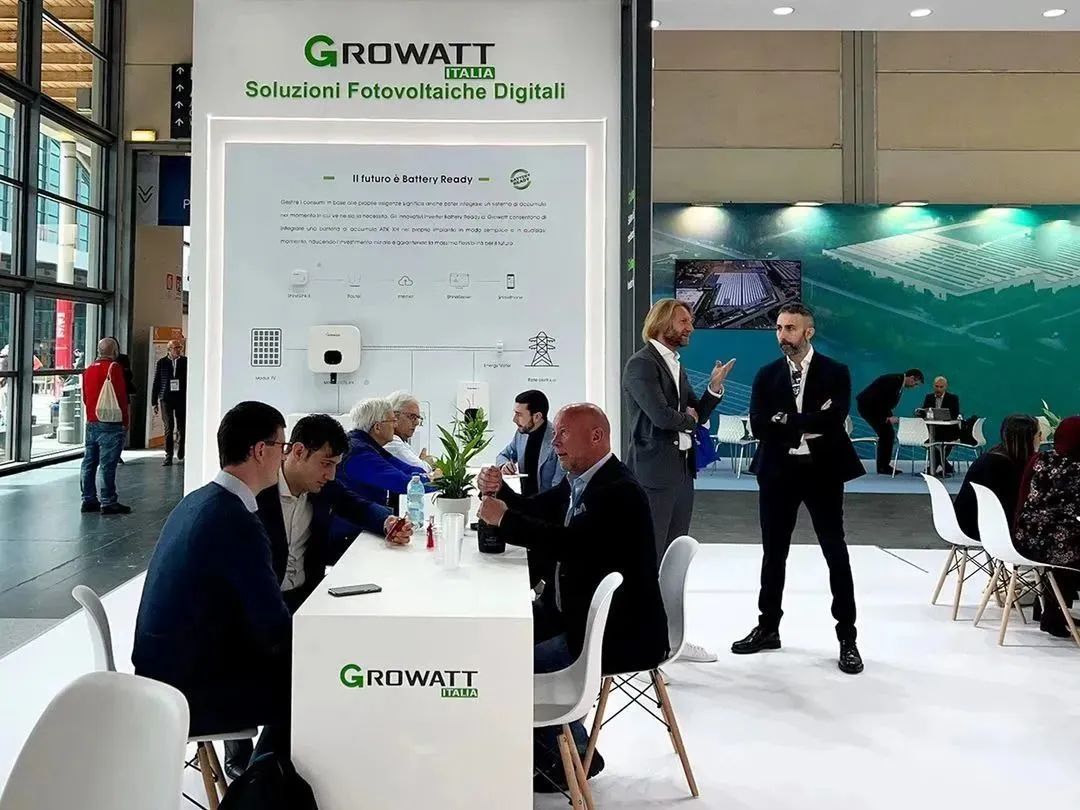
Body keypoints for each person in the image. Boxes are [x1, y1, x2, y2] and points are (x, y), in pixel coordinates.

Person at [476, 403, 668, 793]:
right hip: (573, 613)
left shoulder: (618, 492)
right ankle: (554, 746)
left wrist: (505, 519)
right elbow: (540, 510)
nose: (555, 442)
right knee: (496, 643)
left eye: (563, 434)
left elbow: (571, 544)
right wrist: (502, 493)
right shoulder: (582, 479)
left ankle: (573, 755)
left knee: (507, 666)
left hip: (614, 632)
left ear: (596, 437)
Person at [222, 413, 415, 779]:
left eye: (336, 465)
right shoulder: (255, 493)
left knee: (329, 656)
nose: (331, 474)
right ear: (296, 452)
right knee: (290, 671)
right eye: (325, 463)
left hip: (303, 598)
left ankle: (295, 749)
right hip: (258, 607)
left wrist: (387, 522)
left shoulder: (322, 486)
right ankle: (252, 762)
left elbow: (357, 505)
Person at [133, 401, 293, 766]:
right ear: (260, 450)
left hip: (160, 675)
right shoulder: (237, 521)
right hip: (191, 692)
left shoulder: (199, 500)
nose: (283, 457)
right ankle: (264, 785)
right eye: (281, 446)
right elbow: (273, 626)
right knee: (309, 681)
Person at [734, 304, 866, 674]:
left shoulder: (836, 372)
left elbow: (833, 419)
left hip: (823, 472)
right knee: (773, 553)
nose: (782, 335)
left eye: (790, 328)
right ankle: (768, 628)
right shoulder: (766, 375)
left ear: (809, 331)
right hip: (777, 472)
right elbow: (759, 426)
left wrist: (785, 419)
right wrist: (805, 422)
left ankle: (847, 637)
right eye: (778, 328)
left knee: (835, 551)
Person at [622, 299, 734, 664]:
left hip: (681, 473)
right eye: (684, 321)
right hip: (654, 476)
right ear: (662, 323)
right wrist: (687, 418)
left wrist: (713, 390)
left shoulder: (675, 364)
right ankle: (643, 646)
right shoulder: (642, 364)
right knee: (650, 562)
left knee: (673, 562)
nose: (690, 328)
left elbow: (692, 412)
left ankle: (671, 641)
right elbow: (661, 417)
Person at [1015, 415, 1080, 638]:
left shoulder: (1041, 458)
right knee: (1069, 547)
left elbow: (1023, 495)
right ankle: (1054, 613)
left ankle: (1049, 610)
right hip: (1053, 543)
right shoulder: (1076, 467)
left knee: (1066, 543)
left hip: (1023, 537)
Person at [952, 414, 1040, 542]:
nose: (1041, 439)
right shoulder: (1002, 465)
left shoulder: (995, 456)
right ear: (1027, 438)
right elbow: (1012, 507)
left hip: (968, 523)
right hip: (979, 528)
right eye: (1038, 434)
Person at [338, 397, 433, 508]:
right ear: (377, 427)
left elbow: (404, 468)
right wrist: (434, 481)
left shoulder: (370, 446)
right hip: (356, 517)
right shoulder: (359, 453)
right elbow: (401, 483)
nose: (395, 425)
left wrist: (428, 477)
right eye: (393, 421)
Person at [80, 338, 131, 515]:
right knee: (107, 465)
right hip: (111, 423)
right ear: (115, 351)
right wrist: (125, 422)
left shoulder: (88, 369)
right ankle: (108, 502)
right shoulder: (114, 368)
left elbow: (85, 397)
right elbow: (121, 397)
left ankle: (88, 499)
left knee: (89, 462)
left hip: (91, 421)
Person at [496, 390, 567, 497]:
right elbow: (502, 456)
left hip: (549, 503)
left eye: (519, 414)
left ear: (537, 416)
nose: (514, 419)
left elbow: (558, 488)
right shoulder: (521, 434)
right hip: (525, 501)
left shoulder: (558, 440)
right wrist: (504, 465)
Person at [856, 368, 924, 475]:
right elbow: (880, 400)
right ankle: (883, 467)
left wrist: (889, 416)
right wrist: (886, 417)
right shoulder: (894, 381)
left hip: (873, 407)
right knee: (887, 434)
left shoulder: (897, 381)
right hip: (869, 407)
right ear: (911, 378)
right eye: (915, 384)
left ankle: (883, 466)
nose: (914, 387)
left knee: (887, 434)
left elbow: (885, 401)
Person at [152, 339, 188, 467]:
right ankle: (168, 455)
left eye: (180, 347)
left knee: (182, 426)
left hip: (181, 398)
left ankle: (181, 448)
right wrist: (154, 402)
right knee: (168, 426)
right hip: (166, 398)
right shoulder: (162, 362)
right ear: (169, 349)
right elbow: (156, 382)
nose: (178, 350)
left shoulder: (185, 361)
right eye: (176, 347)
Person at [384, 391, 436, 474]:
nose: (417, 423)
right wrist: (427, 463)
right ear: (394, 416)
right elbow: (422, 469)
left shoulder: (401, 442)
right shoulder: (392, 443)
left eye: (418, 418)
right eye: (412, 417)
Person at [918, 376, 961, 475]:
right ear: (933, 386)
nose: (938, 389)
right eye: (937, 386)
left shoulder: (953, 398)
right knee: (930, 440)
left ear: (945, 387)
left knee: (943, 442)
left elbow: (954, 414)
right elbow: (924, 411)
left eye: (941, 387)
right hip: (932, 430)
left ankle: (933, 468)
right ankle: (946, 467)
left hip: (948, 430)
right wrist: (921, 412)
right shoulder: (929, 397)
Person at [106, 336, 136, 465]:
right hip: (108, 396)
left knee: (123, 426)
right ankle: (111, 452)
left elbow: (129, 375)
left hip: (123, 394)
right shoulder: (102, 361)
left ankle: (117, 452)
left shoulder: (123, 358)